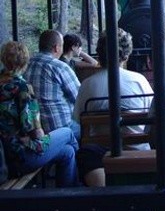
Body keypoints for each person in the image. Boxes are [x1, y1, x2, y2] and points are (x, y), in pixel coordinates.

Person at [73, 28, 153, 187]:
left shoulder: (87, 85)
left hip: (98, 157)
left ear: (100, 54)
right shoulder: (139, 81)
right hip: (138, 152)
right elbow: (152, 115)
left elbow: (77, 119)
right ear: (127, 54)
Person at [0, 41, 79, 187]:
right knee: (68, 133)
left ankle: (68, 194)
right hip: (20, 156)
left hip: (4, 158)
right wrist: (45, 140)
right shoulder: (22, 88)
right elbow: (34, 132)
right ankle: (78, 190)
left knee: (67, 152)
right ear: (25, 61)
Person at [24, 29, 81, 140]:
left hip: (33, 130)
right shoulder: (59, 67)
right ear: (56, 48)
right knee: (92, 128)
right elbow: (79, 98)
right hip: (60, 127)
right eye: (62, 46)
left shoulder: (25, 65)